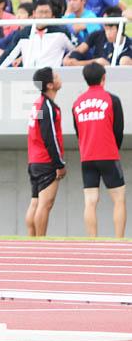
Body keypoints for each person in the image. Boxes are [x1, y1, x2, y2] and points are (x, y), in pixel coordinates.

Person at [72, 63, 126, 238]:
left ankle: (92, 242)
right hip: (108, 154)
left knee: (90, 201)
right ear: (104, 78)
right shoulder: (112, 99)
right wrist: (113, 148)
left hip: (87, 157)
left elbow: (78, 131)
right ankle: (118, 241)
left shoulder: (77, 103)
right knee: (118, 199)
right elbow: (118, 130)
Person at [26, 67, 65, 237]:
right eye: (56, 76)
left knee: (35, 203)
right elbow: (50, 137)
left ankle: (31, 241)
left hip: (34, 161)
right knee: (45, 204)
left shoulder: (38, 104)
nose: (59, 77)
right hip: (45, 161)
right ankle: (41, 244)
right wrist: (59, 164)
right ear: (50, 85)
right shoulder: (47, 106)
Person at [0, 0, 74, 68]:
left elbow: (74, 51)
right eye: (40, 12)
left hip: (52, 78)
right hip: (29, 78)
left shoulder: (61, 32)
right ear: (34, 13)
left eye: (47, 12)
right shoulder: (24, 34)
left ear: (51, 14)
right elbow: (8, 56)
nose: (44, 16)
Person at [63, 19, 132, 67]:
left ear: (120, 29)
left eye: (111, 29)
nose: (108, 33)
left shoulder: (129, 45)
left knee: (125, 61)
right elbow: (102, 63)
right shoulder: (106, 46)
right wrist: (70, 58)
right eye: (106, 29)